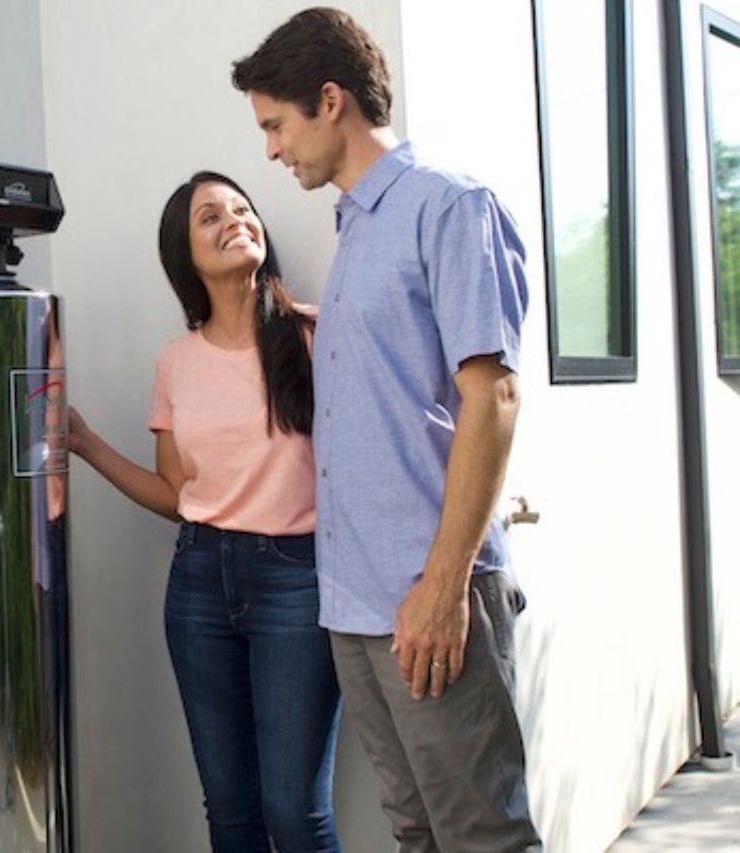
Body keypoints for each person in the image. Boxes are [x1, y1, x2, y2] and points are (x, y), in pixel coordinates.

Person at [231, 8, 542, 853]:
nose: (270, 150)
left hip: (430, 595)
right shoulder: (356, 225)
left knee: (483, 836)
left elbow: (495, 399)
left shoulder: (446, 205)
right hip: (358, 606)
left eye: (275, 125)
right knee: (416, 833)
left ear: (330, 101)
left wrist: (442, 588)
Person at [69, 171, 342, 852]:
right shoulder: (176, 361)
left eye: (242, 209)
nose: (234, 220)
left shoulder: (314, 333)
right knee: (229, 810)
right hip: (198, 581)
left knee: (294, 813)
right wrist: (86, 443)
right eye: (210, 216)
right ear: (183, 254)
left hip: (298, 581)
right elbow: (175, 493)